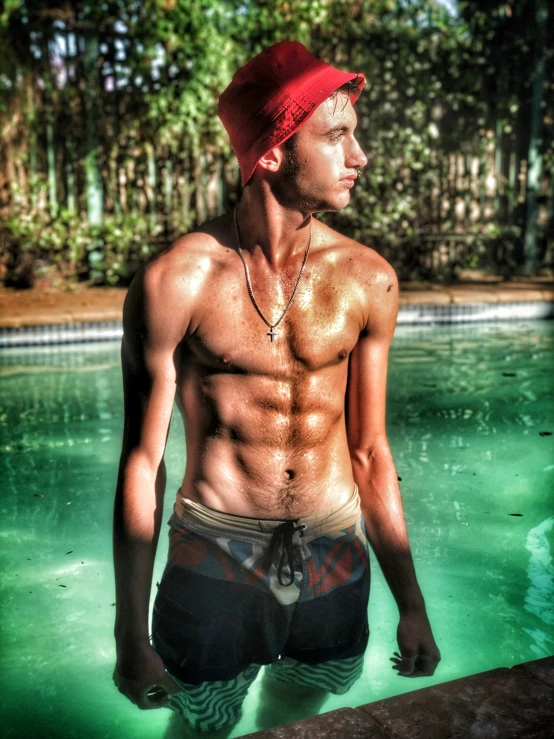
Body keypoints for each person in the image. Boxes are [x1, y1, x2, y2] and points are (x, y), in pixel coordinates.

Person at [112, 41, 440, 733]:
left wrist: (410, 602)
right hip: (216, 563)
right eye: (337, 136)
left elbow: (372, 452)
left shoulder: (368, 278)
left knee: (302, 714)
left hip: (333, 560)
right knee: (203, 722)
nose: (361, 156)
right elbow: (143, 463)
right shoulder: (177, 281)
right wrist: (128, 634)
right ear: (271, 153)